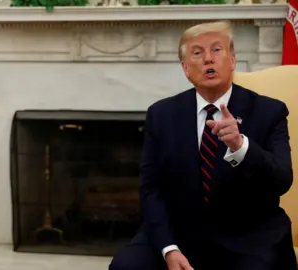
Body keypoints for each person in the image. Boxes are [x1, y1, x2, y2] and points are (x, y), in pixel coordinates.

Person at [109, 21, 296, 270]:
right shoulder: (161, 114)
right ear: (186, 68)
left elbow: (282, 179)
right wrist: (169, 248)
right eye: (197, 53)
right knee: (126, 266)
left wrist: (241, 147)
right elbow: (151, 188)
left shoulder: (269, 111)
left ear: (232, 60)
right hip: (181, 233)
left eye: (217, 50)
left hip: (249, 235)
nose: (208, 59)